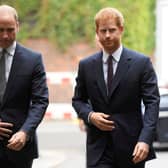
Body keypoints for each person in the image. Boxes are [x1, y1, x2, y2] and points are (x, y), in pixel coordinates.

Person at [72, 7, 160, 168]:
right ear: (97, 32)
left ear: (121, 29)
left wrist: (145, 139)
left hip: (133, 148)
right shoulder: (86, 65)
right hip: (99, 149)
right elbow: (78, 100)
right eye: (103, 30)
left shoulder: (141, 63)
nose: (107, 35)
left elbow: (152, 103)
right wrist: (90, 116)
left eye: (112, 30)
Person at [0, 4, 48, 168]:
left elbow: (40, 101)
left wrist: (25, 132)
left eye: (10, 30)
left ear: (18, 27)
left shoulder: (33, 60)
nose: (5, 35)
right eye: (0, 30)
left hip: (19, 148)